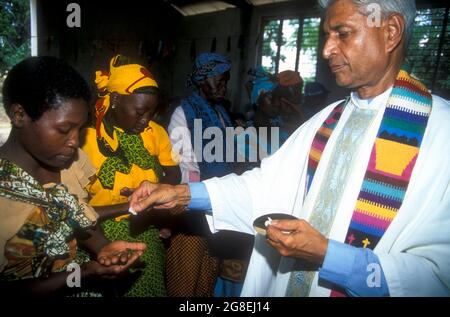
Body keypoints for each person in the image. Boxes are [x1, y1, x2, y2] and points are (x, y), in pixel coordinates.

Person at [129, 0, 450, 297]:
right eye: (326, 35)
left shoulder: (442, 134)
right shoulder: (328, 120)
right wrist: (183, 194)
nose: (326, 49)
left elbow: (438, 276)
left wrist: (328, 254)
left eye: (343, 34)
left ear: (390, 31)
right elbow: (263, 188)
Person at [0, 56, 146, 296]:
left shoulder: (69, 166)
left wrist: (104, 248)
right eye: (64, 129)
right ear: (19, 115)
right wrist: (83, 273)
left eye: (80, 129)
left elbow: (80, 222)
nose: (75, 142)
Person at [81, 55, 180, 297]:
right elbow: (74, 206)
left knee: (150, 287)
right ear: (115, 100)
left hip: (143, 229)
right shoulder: (86, 139)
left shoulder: (154, 133)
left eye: (152, 112)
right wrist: (129, 205)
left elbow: (173, 173)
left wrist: (156, 192)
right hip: (96, 234)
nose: (146, 120)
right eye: (139, 112)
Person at [167, 53, 254, 297]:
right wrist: (203, 194)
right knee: (184, 283)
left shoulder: (221, 113)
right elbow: (183, 165)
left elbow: (231, 155)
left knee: (206, 280)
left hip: (216, 209)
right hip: (191, 210)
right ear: (201, 80)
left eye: (226, 80)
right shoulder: (183, 113)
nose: (224, 86)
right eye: (219, 80)